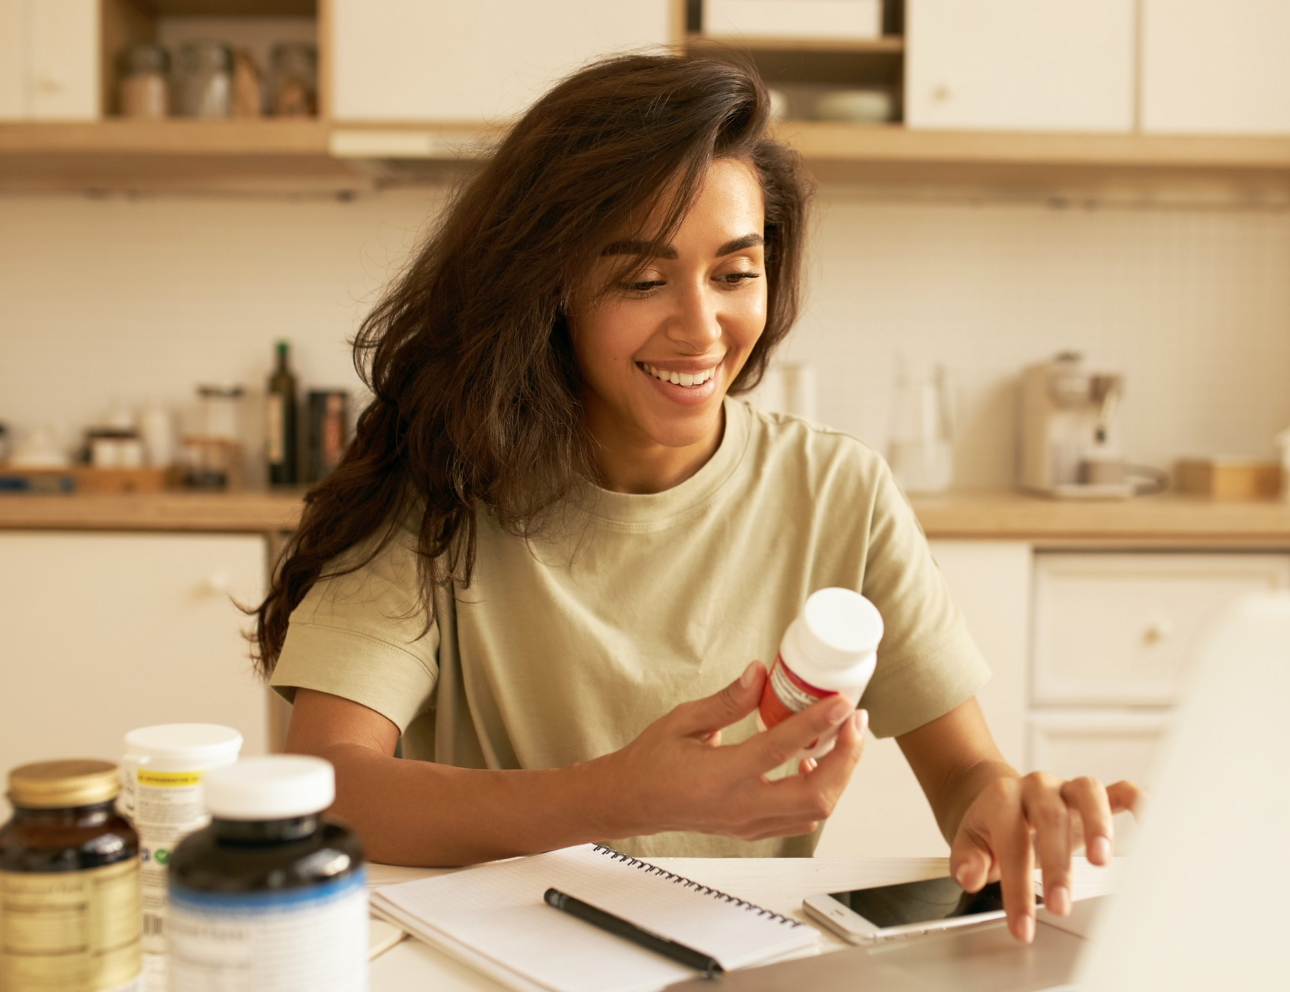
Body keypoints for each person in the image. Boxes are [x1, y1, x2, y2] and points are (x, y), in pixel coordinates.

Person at [254, 52, 1136, 945]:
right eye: (641, 279)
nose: (700, 325)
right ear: (548, 287)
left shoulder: (839, 491)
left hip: (742, 963)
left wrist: (1010, 807)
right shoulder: (439, 485)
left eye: (733, 272)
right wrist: (618, 795)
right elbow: (329, 786)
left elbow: (966, 777)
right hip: (502, 965)